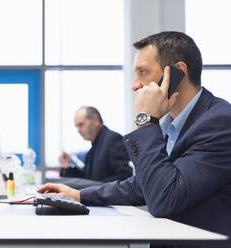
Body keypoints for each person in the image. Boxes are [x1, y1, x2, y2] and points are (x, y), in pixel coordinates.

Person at [38, 31, 231, 243]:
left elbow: (164, 199)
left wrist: (146, 121)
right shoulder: (172, 125)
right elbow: (141, 185)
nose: (135, 84)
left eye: (143, 72)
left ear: (178, 72)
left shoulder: (219, 122)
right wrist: (79, 195)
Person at [59, 106, 132, 183]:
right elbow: (87, 179)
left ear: (96, 120)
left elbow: (124, 176)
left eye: (81, 125)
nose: (78, 130)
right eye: (76, 126)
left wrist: (97, 189)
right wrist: (67, 166)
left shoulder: (112, 140)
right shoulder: (94, 148)